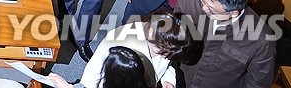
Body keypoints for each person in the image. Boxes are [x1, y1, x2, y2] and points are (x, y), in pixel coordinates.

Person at [173, 0, 276, 88]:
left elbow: (257, 84)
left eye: (211, 9)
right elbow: (171, 36)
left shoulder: (261, 41)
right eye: (203, 0)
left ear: (233, 13)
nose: (203, 8)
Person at [52, 14, 190, 88]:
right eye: (162, 50)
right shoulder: (121, 40)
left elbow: (168, 65)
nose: (164, 56)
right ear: (152, 31)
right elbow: (93, 76)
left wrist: (169, 80)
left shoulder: (168, 43)